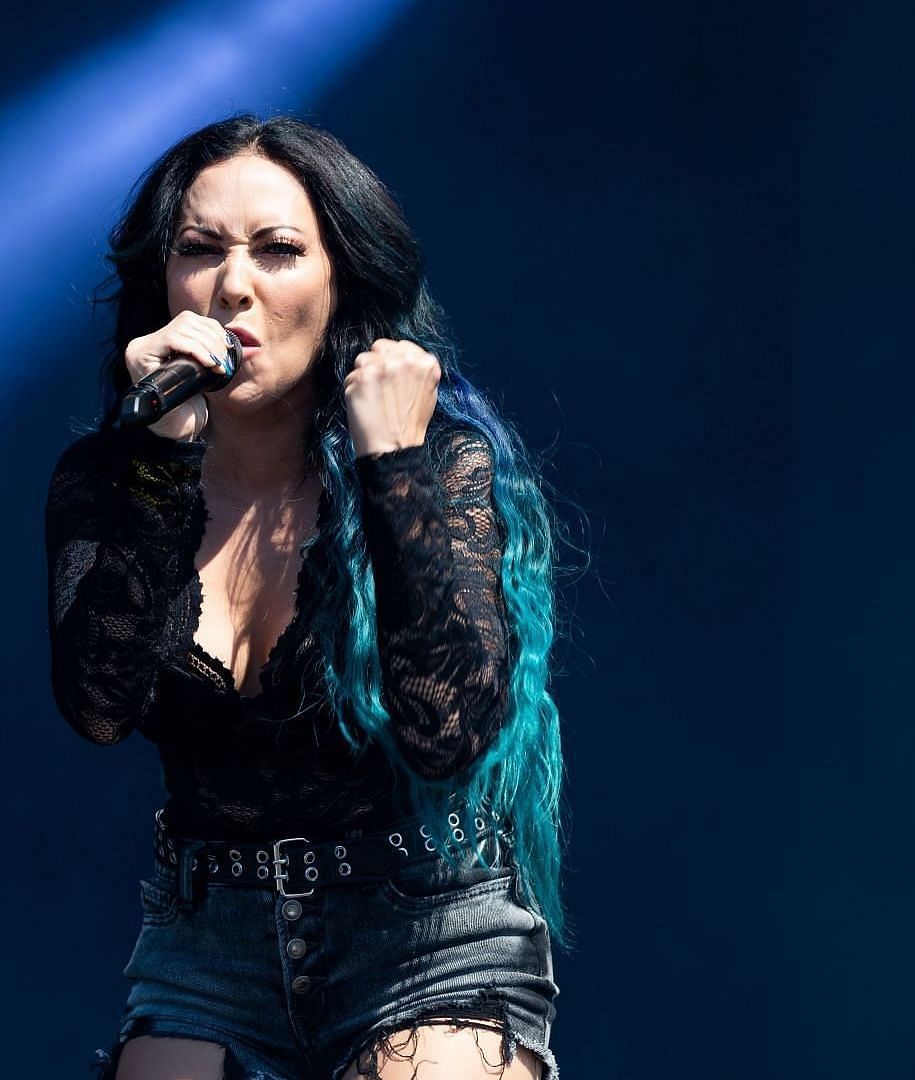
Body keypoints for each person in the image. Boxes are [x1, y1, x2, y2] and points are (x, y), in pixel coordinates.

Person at [46, 115, 568, 1080]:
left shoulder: (437, 462)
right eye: (199, 251)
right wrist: (160, 459)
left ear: (343, 284)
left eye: (278, 251)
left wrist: (392, 466)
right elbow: (99, 706)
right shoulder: (110, 476)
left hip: (425, 930)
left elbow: (446, 732)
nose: (232, 286)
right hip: (211, 944)